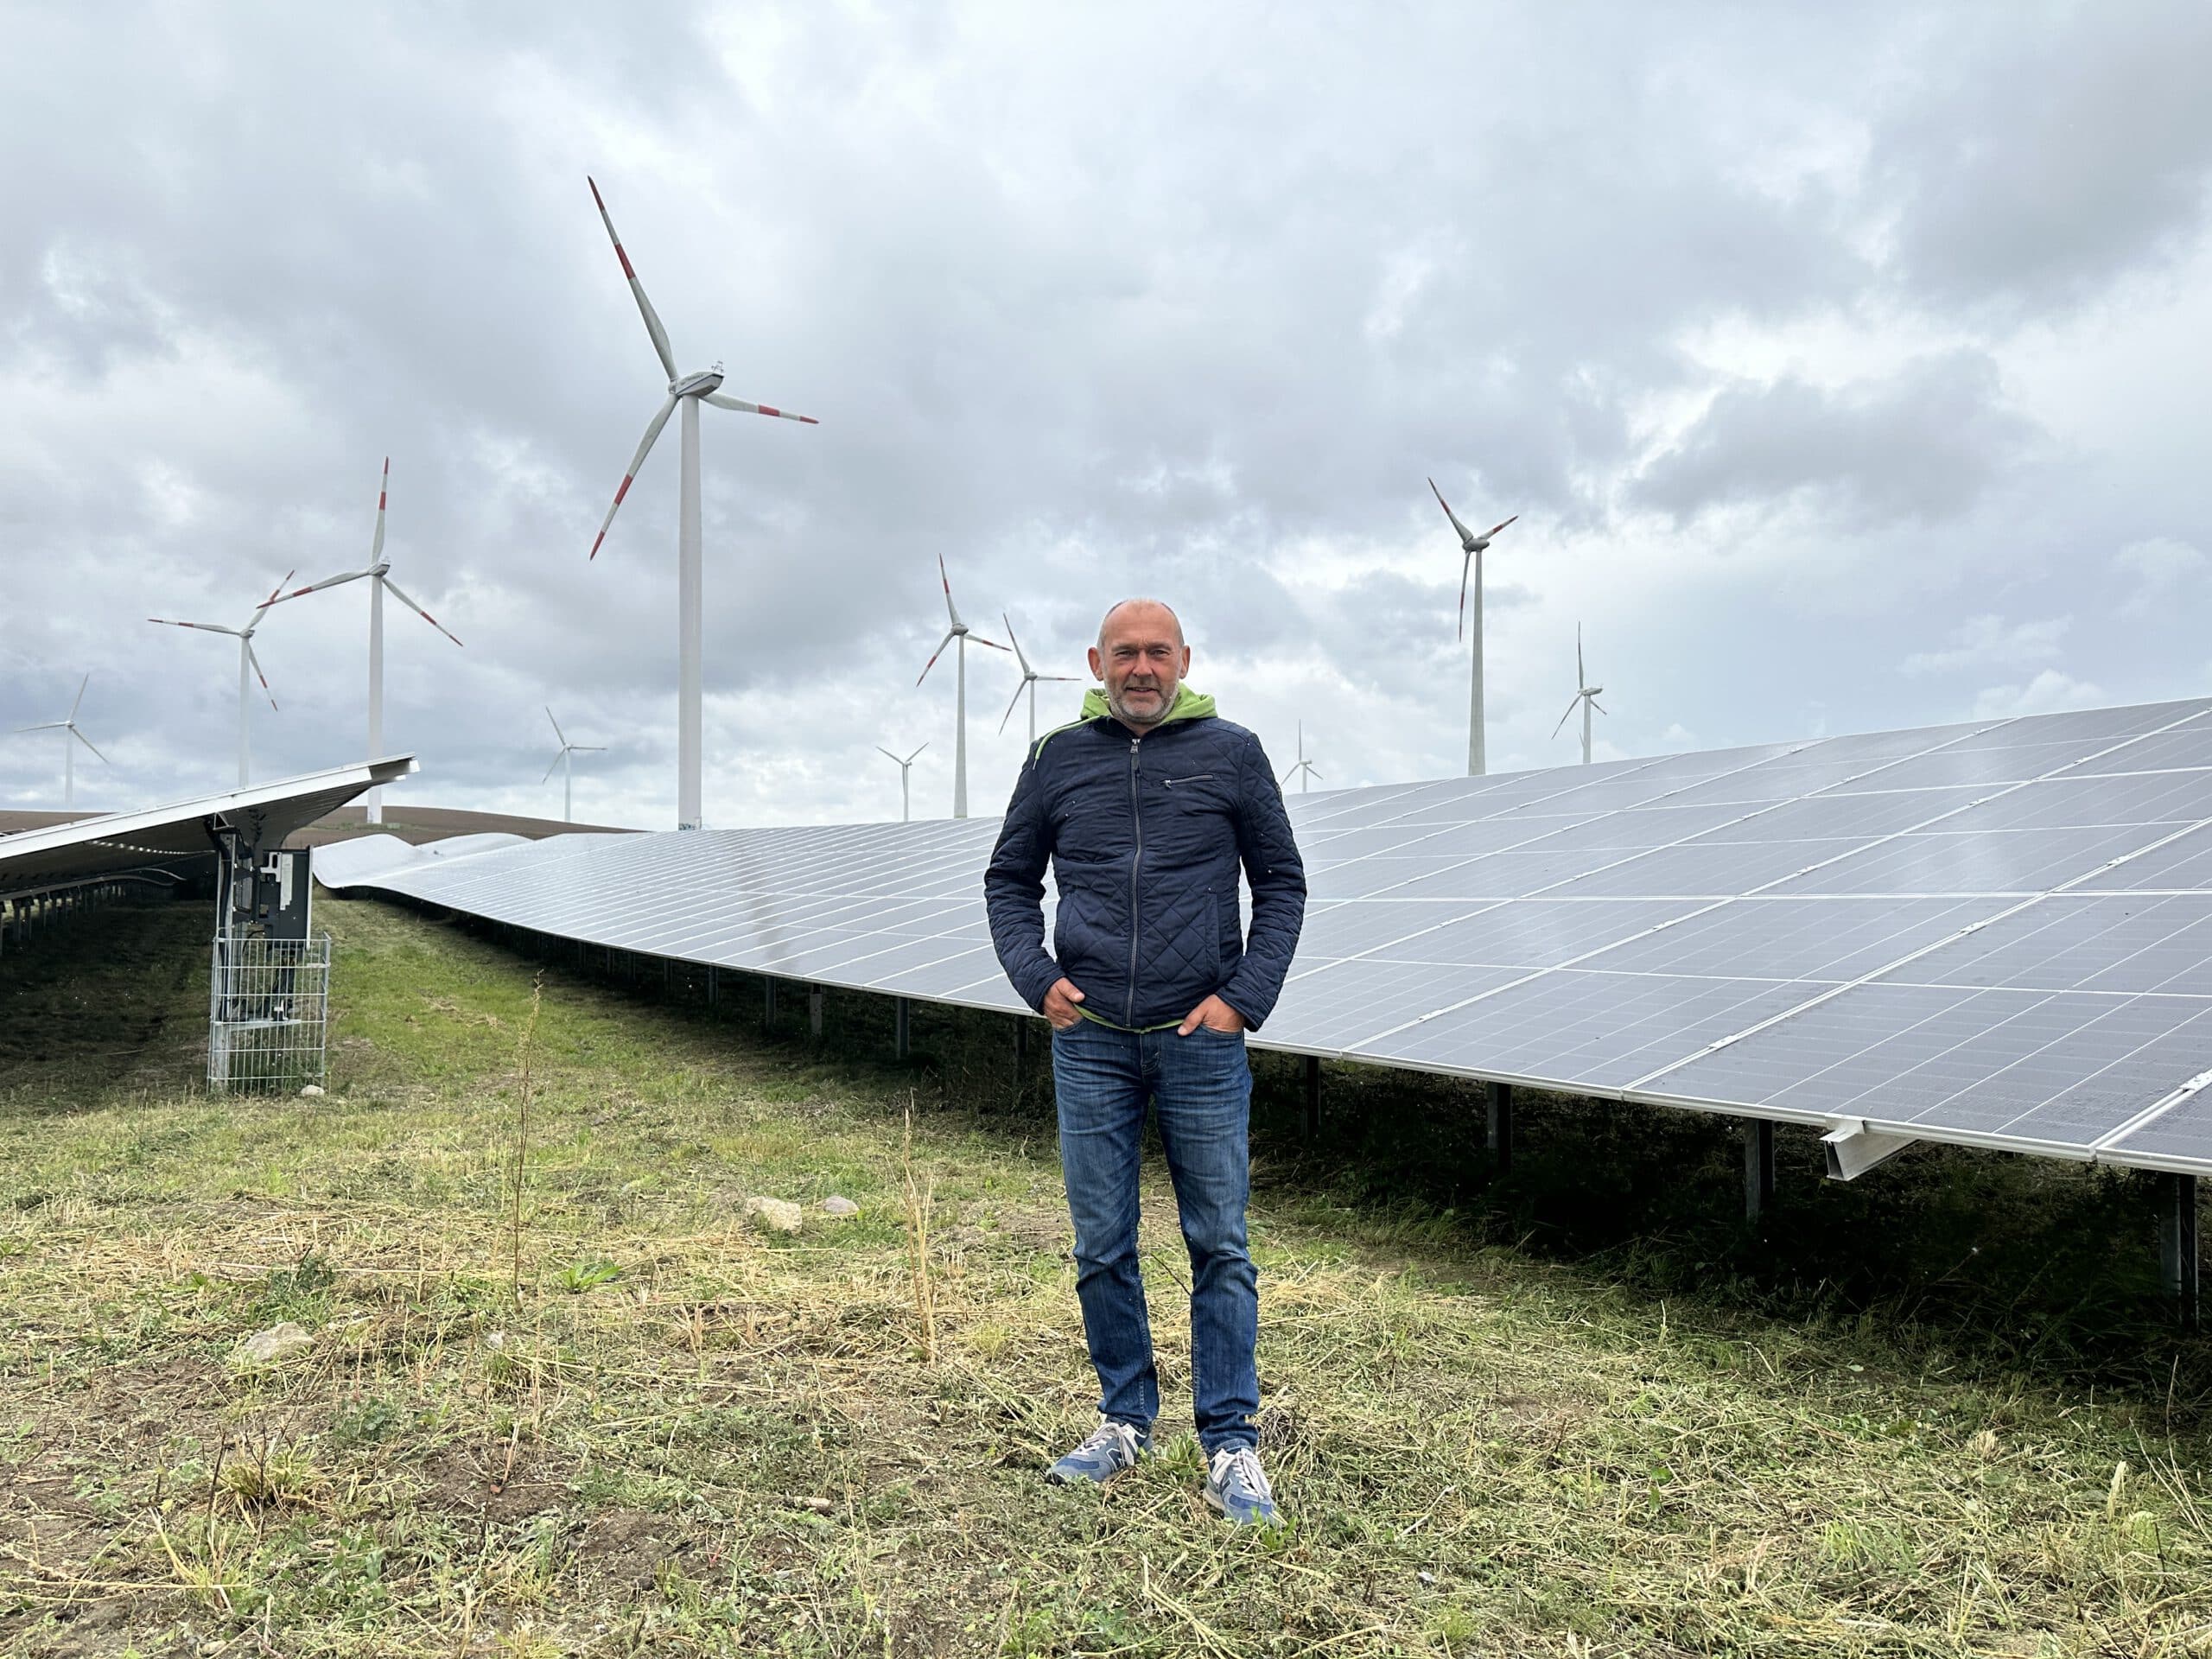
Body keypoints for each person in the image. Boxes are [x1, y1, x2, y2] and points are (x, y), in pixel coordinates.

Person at [983, 597, 1306, 1526]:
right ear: (1094, 662)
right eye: (1123, 653)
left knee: (1220, 1244)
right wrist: (1032, 975)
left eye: (1155, 652)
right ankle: (1124, 1420)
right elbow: (1009, 879)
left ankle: (1231, 1442)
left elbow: (1280, 882)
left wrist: (1244, 998)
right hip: (1090, 1042)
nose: (1140, 668)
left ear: (1183, 660)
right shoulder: (1054, 759)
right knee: (1101, 1244)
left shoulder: (1232, 753)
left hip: (1197, 1039)